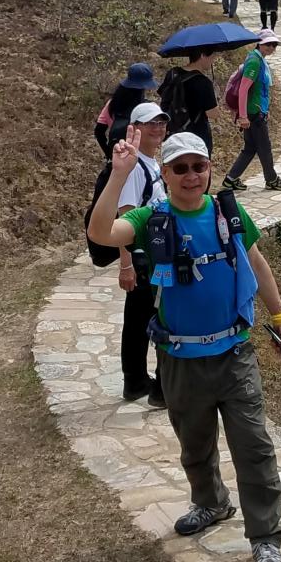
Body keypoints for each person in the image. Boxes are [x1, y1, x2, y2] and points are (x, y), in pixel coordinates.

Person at [89, 130, 281, 562]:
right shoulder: (151, 218)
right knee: (194, 445)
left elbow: (257, 263)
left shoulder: (228, 214)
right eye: (179, 168)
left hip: (234, 353)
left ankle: (265, 537)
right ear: (165, 173)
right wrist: (119, 175)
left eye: (198, 166)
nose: (191, 175)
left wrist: (280, 316)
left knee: (253, 447)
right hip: (179, 358)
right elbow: (101, 233)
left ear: (209, 168)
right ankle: (211, 503)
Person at [114, 102, 168, 404]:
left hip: (150, 254)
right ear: (134, 128)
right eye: (151, 123)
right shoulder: (134, 168)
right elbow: (125, 216)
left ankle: (136, 382)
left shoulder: (150, 162)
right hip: (143, 257)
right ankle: (157, 388)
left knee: (137, 319)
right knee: (155, 318)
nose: (158, 128)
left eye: (161, 122)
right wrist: (127, 265)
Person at [224, 30, 281, 193]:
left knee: (250, 147)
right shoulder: (255, 61)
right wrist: (243, 116)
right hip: (254, 113)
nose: (271, 47)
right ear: (259, 43)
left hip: (257, 110)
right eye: (268, 44)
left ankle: (231, 179)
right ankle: (271, 179)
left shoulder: (258, 59)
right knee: (265, 147)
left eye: (274, 45)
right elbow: (243, 89)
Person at [157, 50, 220, 155]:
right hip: (196, 137)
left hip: (172, 134)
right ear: (202, 55)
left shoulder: (172, 73)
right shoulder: (203, 82)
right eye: (212, 57)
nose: (213, 61)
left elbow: (164, 96)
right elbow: (213, 114)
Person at [95, 62, 154, 153]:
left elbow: (99, 131)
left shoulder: (113, 103)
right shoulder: (146, 107)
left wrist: (109, 153)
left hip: (118, 151)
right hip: (140, 153)